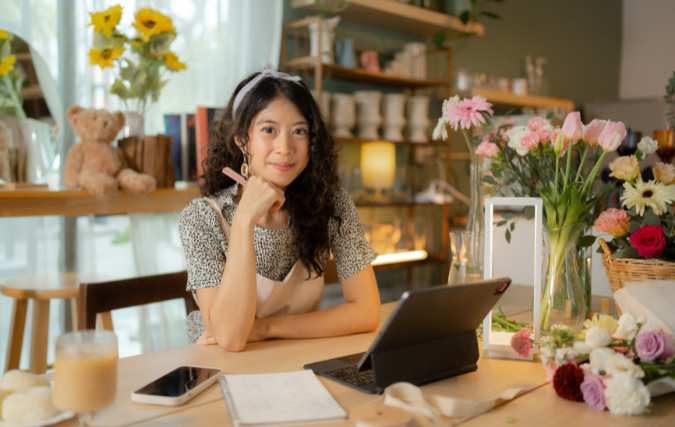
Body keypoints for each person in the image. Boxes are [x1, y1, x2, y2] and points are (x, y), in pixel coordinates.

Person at [178, 61, 380, 352]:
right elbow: (232, 338)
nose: (285, 147)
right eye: (269, 129)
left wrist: (266, 329)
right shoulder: (201, 218)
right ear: (241, 140)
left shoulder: (332, 205)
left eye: (299, 131)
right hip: (223, 374)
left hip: (299, 361)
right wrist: (245, 218)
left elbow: (367, 312)